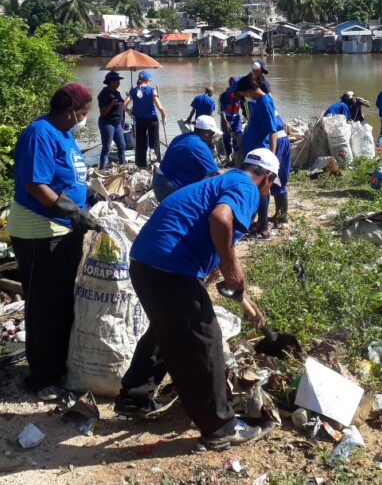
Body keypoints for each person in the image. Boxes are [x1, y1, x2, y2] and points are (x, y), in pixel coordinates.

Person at [115, 149, 280, 450]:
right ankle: (220, 427)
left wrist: (242, 296)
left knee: (168, 326)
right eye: (271, 185)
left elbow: (214, 244)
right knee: (204, 338)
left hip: (145, 263)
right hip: (170, 266)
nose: (268, 192)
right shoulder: (246, 187)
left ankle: (134, 398)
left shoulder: (221, 180)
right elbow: (221, 219)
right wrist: (232, 266)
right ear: (267, 177)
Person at [8, 83, 99, 400]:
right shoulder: (40, 133)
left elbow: (67, 176)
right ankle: (41, 377)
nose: (85, 118)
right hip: (39, 231)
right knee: (44, 304)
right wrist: (72, 211)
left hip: (63, 229)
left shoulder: (65, 134)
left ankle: (59, 366)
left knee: (62, 300)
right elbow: (36, 185)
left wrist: (89, 195)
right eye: (84, 112)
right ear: (71, 111)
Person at [236, 76, 284, 236]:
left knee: (262, 189)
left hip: (261, 154)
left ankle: (263, 227)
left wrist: (271, 155)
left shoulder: (265, 102)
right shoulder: (259, 102)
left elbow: (273, 131)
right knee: (257, 189)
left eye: (244, 94)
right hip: (254, 152)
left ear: (249, 90)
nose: (245, 97)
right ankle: (256, 223)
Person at [152, 115, 222, 202]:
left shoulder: (181, 137)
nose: (212, 137)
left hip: (159, 183)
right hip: (169, 188)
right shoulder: (199, 146)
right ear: (206, 133)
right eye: (212, 134)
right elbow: (216, 174)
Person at [125, 70, 167, 168]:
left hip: (140, 120)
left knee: (140, 143)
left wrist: (129, 112)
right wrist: (164, 116)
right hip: (152, 120)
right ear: (148, 80)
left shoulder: (133, 90)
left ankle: (141, 165)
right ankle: (155, 163)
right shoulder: (152, 90)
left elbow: (124, 105)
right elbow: (160, 107)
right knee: (154, 143)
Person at [97, 71, 127, 169]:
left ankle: (123, 166)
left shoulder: (117, 93)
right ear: (111, 82)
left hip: (117, 124)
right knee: (107, 147)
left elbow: (121, 105)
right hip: (107, 124)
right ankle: (102, 169)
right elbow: (103, 113)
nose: (119, 83)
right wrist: (111, 104)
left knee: (122, 145)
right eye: (117, 81)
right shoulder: (104, 94)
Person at [219, 76, 244, 163]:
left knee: (238, 135)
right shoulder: (223, 95)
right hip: (226, 118)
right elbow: (221, 110)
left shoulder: (241, 94)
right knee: (226, 137)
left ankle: (236, 156)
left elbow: (244, 106)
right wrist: (225, 122)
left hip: (236, 118)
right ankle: (228, 156)